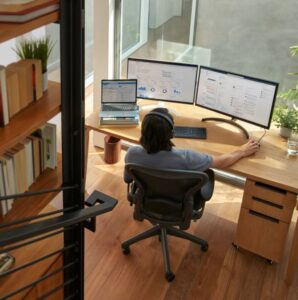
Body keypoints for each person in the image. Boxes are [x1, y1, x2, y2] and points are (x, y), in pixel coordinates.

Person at [124, 107, 260, 184]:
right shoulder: (187, 157)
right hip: (179, 200)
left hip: (148, 195)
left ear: (143, 132)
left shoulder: (132, 153)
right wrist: (242, 151)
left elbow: (128, 178)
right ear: (171, 133)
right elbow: (221, 162)